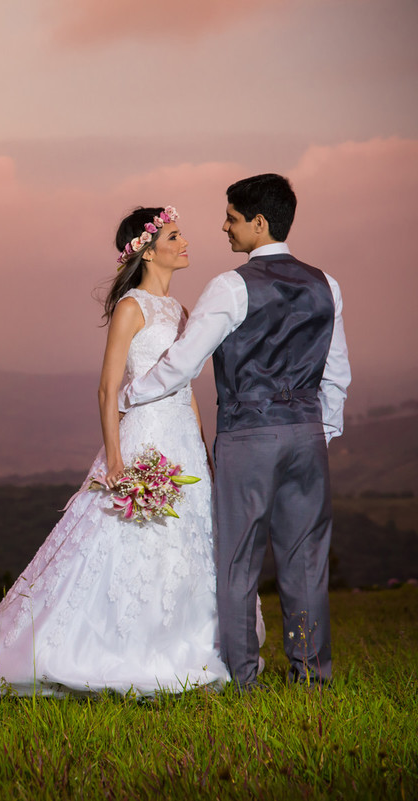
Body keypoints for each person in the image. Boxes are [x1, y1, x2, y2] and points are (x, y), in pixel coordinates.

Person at [0, 206, 235, 698]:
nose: (186, 242)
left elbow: (186, 387)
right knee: (126, 541)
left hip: (182, 439)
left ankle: (180, 645)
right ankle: (112, 649)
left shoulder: (182, 312)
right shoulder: (132, 307)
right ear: (146, 249)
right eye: (174, 234)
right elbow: (107, 389)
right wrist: (116, 458)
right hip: (144, 437)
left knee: (182, 545)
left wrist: (202, 446)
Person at [121, 174, 349, 689]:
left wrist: (130, 395)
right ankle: (311, 676)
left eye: (231, 218)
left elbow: (182, 363)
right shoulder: (326, 284)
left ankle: (242, 677)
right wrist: (322, 429)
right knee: (306, 558)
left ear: (259, 223)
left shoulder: (230, 286)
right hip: (307, 434)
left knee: (238, 559)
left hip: (249, 436)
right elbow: (337, 371)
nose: (224, 227)